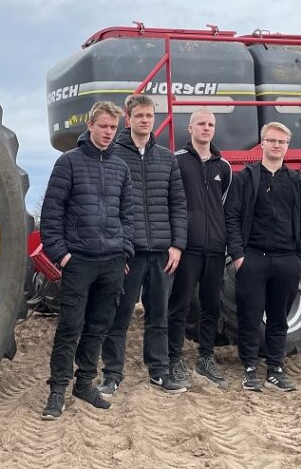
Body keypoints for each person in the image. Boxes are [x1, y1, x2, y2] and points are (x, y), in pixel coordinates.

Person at [39, 100, 134, 420]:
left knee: (98, 327)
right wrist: (62, 255)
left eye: (113, 128)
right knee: (70, 327)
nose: (108, 132)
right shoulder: (68, 163)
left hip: (112, 261)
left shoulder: (121, 167)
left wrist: (125, 252)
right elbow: (51, 214)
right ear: (90, 126)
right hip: (78, 260)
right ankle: (57, 391)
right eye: (103, 126)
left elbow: (128, 215)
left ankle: (84, 383)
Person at [97, 94, 188, 396]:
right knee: (118, 315)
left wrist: (177, 245)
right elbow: (108, 206)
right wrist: (116, 248)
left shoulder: (167, 158)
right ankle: (111, 374)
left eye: (150, 115)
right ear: (128, 118)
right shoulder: (113, 155)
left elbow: (178, 204)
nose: (145, 121)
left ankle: (159, 372)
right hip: (129, 252)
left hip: (162, 252)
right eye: (139, 116)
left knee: (158, 315)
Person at [224, 122, 301, 392]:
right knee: (249, 317)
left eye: (282, 142)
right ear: (262, 143)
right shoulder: (245, 178)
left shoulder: (296, 182)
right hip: (253, 258)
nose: (277, 146)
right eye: (272, 141)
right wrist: (238, 256)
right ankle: (250, 368)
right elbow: (232, 217)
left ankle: (276, 369)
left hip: (287, 260)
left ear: (287, 146)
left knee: (278, 318)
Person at [166, 108, 232, 388]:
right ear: (189, 128)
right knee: (179, 305)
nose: (206, 128)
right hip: (187, 248)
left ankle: (206, 358)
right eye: (201, 124)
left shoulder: (224, 167)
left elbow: (225, 206)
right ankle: (173, 357)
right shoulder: (176, 161)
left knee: (211, 306)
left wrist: (225, 242)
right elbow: (170, 204)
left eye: (211, 124)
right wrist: (174, 242)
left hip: (216, 249)